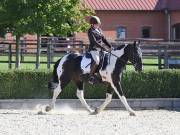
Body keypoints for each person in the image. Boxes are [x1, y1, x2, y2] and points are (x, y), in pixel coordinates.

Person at [88, 16, 112, 84]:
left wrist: (110, 46)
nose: (97, 25)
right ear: (92, 24)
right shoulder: (90, 31)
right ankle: (91, 77)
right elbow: (94, 42)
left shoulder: (99, 30)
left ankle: (103, 76)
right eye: (96, 24)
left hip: (101, 49)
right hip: (94, 49)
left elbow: (104, 39)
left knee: (107, 59)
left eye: (98, 24)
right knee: (97, 61)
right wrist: (103, 48)